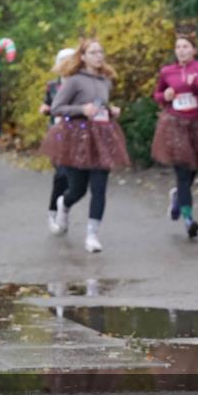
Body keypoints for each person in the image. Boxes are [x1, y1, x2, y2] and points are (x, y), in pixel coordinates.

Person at [39, 38, 129, 252]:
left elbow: (100, 105)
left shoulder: (106, 80)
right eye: (93, 53)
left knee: (99, 188)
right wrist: (81, 110)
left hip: (101, 137)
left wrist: (111, 110)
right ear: (83, 57)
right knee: (77, 190)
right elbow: (57, 108)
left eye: (100, 52)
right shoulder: (74, 81)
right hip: (76, 139)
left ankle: (92, 235)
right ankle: (64, 203)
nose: (98, 56)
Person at [150, 27, 198, 239]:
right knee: (183, 173)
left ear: (194, 50)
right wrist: (164, 96)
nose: (181, 50)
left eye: (186, 46)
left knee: (194, 169)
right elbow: (157, 95)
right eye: (178, 47)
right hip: (174, 125)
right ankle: (188, 219)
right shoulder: (167, 72)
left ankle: (177, 196)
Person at [43, 48, 76, 232]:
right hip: (57, 133)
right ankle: (53, 212)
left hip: (78, 134)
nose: (66, 65)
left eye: (70, 61)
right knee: (61, 174)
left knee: (75, 179)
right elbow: (47, 103)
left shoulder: (81, 84)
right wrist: (44, 108)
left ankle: (65, 207)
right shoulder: (52, 86)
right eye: (63, 61)